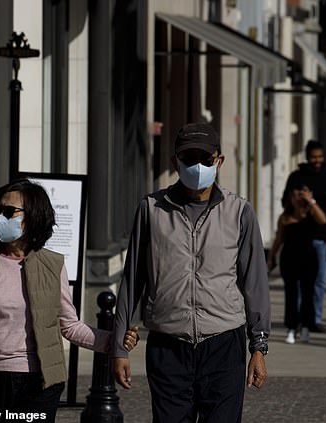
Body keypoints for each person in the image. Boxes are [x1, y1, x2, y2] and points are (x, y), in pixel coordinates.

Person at [0, 179, 139, 421]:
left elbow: (70, 326)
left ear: (33, 215)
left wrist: (115, 341)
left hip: (38, 384)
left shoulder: (52, 265)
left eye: (9, 211)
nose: (1, 218)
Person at [112, 122, 270, 423]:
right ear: (175, 162)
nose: (197, 166)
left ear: (219, 161)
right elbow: (132, 280)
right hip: (168, 345)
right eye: (189, 158)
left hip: (224, 343)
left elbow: (255, 283)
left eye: (205, 159)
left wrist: (258, 347)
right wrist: (119, 347)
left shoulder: (239, 212)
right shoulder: (151, 209)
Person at [282, 140, 326, 333]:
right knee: (299, 283)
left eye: (320, 157)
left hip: (323, 237)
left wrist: (323, 198)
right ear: (307, 157)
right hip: (300, 236)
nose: (317, 161)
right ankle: (298, 319)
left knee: (319, 282)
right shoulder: (297, 176)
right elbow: (285, 202)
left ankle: (314, 319)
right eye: (313, 157)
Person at [268, 184, 326, 344]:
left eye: (300, 195)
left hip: (309, 257)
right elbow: (279, 239)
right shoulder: (285, 217)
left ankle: (307, 326)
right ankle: (292, 327)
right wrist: (271, 257)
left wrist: (311, 201)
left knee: (308, 293)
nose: (297, 198)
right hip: (289, 258)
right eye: (294, 195)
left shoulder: (311, 214)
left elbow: (324, 220)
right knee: (291, 293)